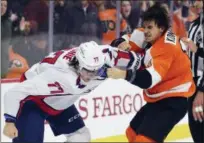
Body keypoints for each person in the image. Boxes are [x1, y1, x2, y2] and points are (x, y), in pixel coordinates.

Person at [3, 41, 141, 143]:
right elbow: (14, 93)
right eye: (87, 71)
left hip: (59, 102)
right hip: (33, 101)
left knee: (81, 137)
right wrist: (10, 121)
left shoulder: (106, 56)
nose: (91, 76)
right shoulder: (61, 77)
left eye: (96, 71)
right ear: (78, 64)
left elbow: (136, 59)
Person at [108, 3, 196, 142]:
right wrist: (120, 43)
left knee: (144, 140)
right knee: (132, 133)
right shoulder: (148, 33)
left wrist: (124, 74)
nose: (146, 31)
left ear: (161, 28)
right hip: (158, 98)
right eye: (145, 26)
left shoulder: (167, 46)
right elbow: (126, 39)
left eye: (150, 27)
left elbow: (148, 79)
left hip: (174, 100)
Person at [181, 1, 204, 142]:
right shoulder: (195, 23)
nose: (192, 3)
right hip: (194, 84)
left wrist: (202, 90)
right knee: (196, 127)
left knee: (199, 127)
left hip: (201, 85)